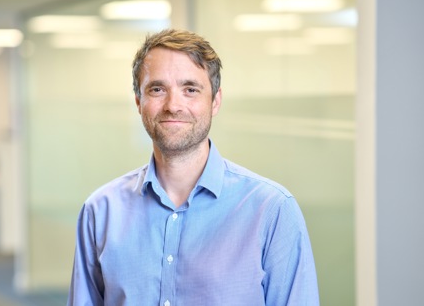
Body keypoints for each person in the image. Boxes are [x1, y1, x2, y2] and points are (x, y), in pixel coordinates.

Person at [67, 29, 319, 305]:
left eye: (190, 89)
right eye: (157, 89)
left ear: (215, 101)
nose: (173, 105)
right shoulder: (100, 212)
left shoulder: (271, 210)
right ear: (139, 101)